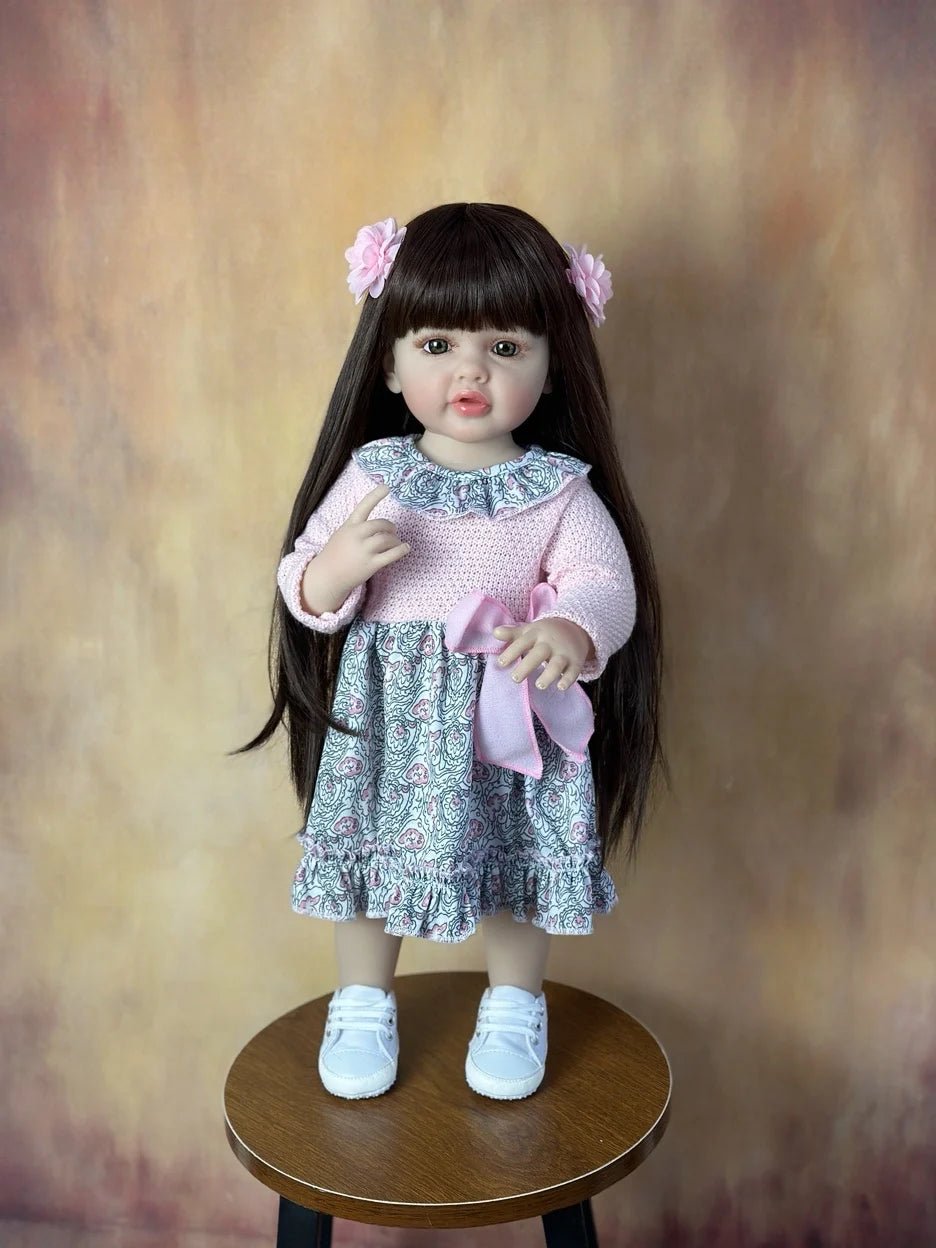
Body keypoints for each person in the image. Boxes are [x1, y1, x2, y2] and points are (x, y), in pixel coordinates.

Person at [244, 203, 663, 1102]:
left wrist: (572, 627)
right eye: (437, 345)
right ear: (389, 363)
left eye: (505, 347)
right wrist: (334, 571)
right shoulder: (376, 474)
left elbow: (605, 578)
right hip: (391, 728)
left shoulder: (557, 490)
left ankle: (514, 1003)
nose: (471, 371)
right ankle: (363, 999)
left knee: (518, 862)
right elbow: (303, 581)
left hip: (507, 717)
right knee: (369, 859)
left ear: (553, 365)